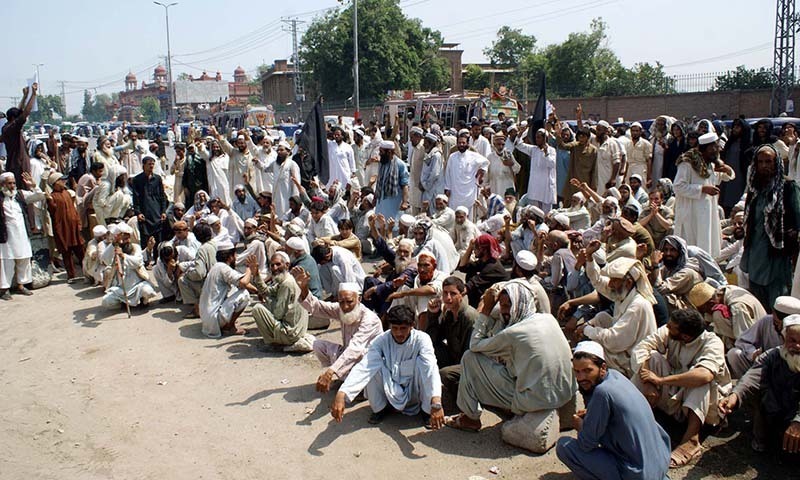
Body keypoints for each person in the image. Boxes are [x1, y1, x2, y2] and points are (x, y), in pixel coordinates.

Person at [445, 281, 576, 441]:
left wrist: (486, 309)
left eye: (508, 306)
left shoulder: (514, 333)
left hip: (535, 400)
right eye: (502, 305)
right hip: (565, 392)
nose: (504, 310)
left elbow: (474, 345)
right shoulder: (548, 319)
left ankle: (469, 418)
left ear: (519, 304)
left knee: (470, 358)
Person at [556, 341, 671, 480]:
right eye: (577, 371)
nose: (581, 378)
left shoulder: (602, 392)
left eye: (587, 371)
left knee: (564, 446)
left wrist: (581, 426)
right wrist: (592, 413)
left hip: (637, 474)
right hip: (661, 464)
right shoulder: (617, 376)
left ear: (602, 367)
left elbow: (586, 444)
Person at [632, 309, 731, 468]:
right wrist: (648, 383)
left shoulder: (712, 342)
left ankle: (692, 439)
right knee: (653, 357)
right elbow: (643, 347)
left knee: (701, 380)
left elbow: (704, 375)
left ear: (685, 336)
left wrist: (660, 380)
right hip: (675, 391)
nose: (667, 327)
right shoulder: (670, 331)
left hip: (705, 404)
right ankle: (628, 411)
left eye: (671, 327)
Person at [330, 305, 444, 428]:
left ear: (412, 326)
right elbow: (364, 367)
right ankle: (380, 409)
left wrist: (436, 402)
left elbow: (430, 369)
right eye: (394, 328)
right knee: (372, 367)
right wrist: (342, 393)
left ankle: (427, 411)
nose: (398, 333)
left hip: (415, 389)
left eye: (403, 328)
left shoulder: (422, 339)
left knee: (424, 365)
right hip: (391, 385)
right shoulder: (381, 340)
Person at [718, 315, 800, 456]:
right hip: (776, 412)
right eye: (792, 340)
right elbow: (751, 378)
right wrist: (734, 395)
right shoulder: (772, 356)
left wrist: (798, 422)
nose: (798, 346)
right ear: (783, 338)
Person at [294, 272, 382, 393]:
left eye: (349, 302)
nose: (345, 306)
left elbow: (355, 349)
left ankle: (359, 389)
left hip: (368, 362)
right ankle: (345, 378)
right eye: (341, 302)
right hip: (350, 355)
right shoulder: (340, 309)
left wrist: (330, 372)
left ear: (359, 299)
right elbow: (317, 307)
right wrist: (304, 289)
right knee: (318, 345)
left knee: (358, 356)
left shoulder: (369, 319)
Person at [580, 247, 658, 378]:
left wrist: (587, 329)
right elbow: (598, 281)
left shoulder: (637, 304)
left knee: (593, 351)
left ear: (627, 282)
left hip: (631, 359)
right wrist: (589, 258)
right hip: (624, 345)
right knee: (601, 317)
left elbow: (614, 340)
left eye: (614, 280)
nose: (610, 284)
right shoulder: (622, 293)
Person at [741, 145, 800, 310]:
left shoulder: (788, 187)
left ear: (776, 163)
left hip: (777, 252)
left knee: (778, 297)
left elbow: (796, 220)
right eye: (760, 162)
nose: (764, 165)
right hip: (755, 250)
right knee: (757, 298)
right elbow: (749, 215)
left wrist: (792, 237)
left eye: (768, 161)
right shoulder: (754, 188)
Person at [673, 132, 734, 257]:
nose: (717, 151)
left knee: (708, 243)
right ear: (705, 149)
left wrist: (728, 170)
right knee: (692, 245)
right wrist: (702, 189)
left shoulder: (710, 163)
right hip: (691, 212)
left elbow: (720, 178)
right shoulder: (687, 162)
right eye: (714, 148)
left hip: (708, 212)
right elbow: (678, 186)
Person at [424, 276, 479, 413]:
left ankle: (464, 404)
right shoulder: (449, 314)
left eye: (453, 293)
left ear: (462, 295)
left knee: (446, 373)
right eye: (445, 293)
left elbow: (470, 354)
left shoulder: (469, 317)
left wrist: (453, 369)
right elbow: (433, 339)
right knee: (430, 350)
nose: (448, 298)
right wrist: (433, 314)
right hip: (457, 358)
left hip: (472, 364)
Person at [250, 252, 313, 352]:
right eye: (272, 265)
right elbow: (267, 291)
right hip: (297, 330)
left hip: (291, 333)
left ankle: (273, 343)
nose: (275, 268)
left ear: (287, 265)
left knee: (257, 309)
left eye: (278, 264)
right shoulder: (284, 279)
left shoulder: (287, 284)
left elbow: (278, 314)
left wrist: (267, 302)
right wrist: (256, 274)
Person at [727, 296, 800, 379]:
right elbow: (742, 341)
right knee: (734, 354)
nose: (779, 325)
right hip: (766, 366)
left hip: (792, 369)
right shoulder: (766, 321)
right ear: (773, 313)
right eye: (777, 321)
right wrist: (753, 354)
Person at [0, 172, 45, 299]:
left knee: (24, 258)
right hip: (5, 235)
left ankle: (21, 285)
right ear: (2, 184)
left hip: (22, 234)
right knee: (6, 262)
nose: (12, 186)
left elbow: (40, 196)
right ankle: (4, 289)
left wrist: (33, 185)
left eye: (14, 183)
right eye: (9, 183)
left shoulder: (20, 194)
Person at [687, 282, 767, 351]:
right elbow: (706, 322)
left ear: (711, 303)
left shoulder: (737, 307)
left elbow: (745, 337)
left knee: (718, 314)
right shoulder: (722, 291)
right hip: (751, 332)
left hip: (758, 342)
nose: (706, 314)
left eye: (704, 311)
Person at [199, 239, 254, 338]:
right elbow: (244, 283)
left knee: (235, 288)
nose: (236, 257)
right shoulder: (223, 268)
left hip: (207, 318)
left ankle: (226, 321)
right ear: (230, 257)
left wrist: (259, 291)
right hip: (213, 319)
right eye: (235, 255)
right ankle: (230, 327)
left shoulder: (216, 266)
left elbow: (240, 282)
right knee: (244, 294)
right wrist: (249, 269)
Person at [101, 227, 158, 310]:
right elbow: (105, 259)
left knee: (147, 292)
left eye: (127, 238)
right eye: (123, 239)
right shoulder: (115, 248)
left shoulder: (135, 247)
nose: (126, 241)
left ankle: (144, 300)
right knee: (106, 301)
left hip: (138, 285)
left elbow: (137, 262)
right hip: (121, 288)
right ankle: (123, 303)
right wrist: (113, 244)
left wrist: (123, 256)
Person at [45, 172, 84, 283]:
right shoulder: (52, 197)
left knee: (81, 251)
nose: (64, 181)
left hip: (74, 228)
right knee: (66, 253)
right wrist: (49, 200)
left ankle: (87, 273)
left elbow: (74, 210)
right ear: (55, 183)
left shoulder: (67, 193)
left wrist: (78, 223)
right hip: (63, 229)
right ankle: (71, 276)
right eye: (61, 180)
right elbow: (52, 211)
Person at [457, 234, 510, 308]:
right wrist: (470, 248)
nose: (474, 250)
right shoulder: (484, 261)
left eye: (476, 248)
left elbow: (469, 286)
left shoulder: (492, 267)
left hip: (499, 302)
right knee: (470, 273)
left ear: (484, 250)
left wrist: (454, 297)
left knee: (474, 287)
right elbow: (462, 267)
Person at [653, 235, 703, 312]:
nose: (668, 253)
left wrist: (655, 265)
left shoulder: (686, 272)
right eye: (665, 250)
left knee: (664, 298)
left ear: (680, 252)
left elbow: (660, 289)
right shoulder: (669, 268)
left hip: (690, 311)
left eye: (672, 250)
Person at [444, 134, 488, 217]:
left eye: (463, 143)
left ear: (467, 144)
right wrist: (447, 188)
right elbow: (447, 173)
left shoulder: (473, 155)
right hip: (455, 191)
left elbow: (486, 162)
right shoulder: (452, 157)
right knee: (454, 213)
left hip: (469, 192)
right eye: (459, 143)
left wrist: (481, 172)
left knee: (469, 215)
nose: (461, 145)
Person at [178, 223, 216, 319]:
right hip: (217, 280)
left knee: (182, 280)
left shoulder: (202, 249)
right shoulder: (214, 244)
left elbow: (199, 273)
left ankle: (197, 309)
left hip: (209, 284)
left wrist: (187, 273)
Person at [2, 84, 38, 188]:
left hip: (15, 163)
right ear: (13, 118)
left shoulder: (7, 127)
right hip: (19, 165)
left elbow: (19, 111)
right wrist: (33, 95)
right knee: (23, 189)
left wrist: (25, 96)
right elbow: (25, 112)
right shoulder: (12, 128)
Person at [130, 155, 168, 251]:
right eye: (149, 164)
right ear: (144, 165)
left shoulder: (157, 179)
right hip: (145, 212)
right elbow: (136, 197)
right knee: (145, 238)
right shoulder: (137, 180)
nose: (151, 166)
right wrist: (138, 212)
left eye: (152, 164)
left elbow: (162, 196)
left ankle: (157, 259)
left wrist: (163, 211)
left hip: (157, 212)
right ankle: (146, 259)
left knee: (158, 238)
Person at [372, 140, 410, 221]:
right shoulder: (382, 163)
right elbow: (379, 181)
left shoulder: (400, 165)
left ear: (389, 152)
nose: (379, 154)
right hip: (380, 202)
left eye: (381, 152)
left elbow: (405, 185)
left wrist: (405, 202)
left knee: (392, 226)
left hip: (393, 202)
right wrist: (375, 198)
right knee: (379, 225)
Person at [269, 141, 301, 217]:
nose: (279, 152)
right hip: (276, 196)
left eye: (282, 150)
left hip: (287, 195)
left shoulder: (292, 164)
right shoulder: (275, 164)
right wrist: (257, 163)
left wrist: (295, 198)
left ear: (288, 151)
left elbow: (296, 182)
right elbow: (265, 168)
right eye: (278, 150)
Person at [197, 137, 231, 206]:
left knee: (226, 201)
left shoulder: (226, 157)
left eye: (217, 147)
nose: (216, 149)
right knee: (214, 200)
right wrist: (200, 146)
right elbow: (203, 152)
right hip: (213, 184)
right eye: (214, 147)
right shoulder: (210, 159)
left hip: (224, 183)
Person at [420, 133, 445, 214]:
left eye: (425, 142)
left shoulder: (436, 155)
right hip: (428, 190)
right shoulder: (429, 154)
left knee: (433, 213)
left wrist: (425, 185)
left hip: (433, 189)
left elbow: (435, 174)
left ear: (431, 143)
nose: (424, 144)